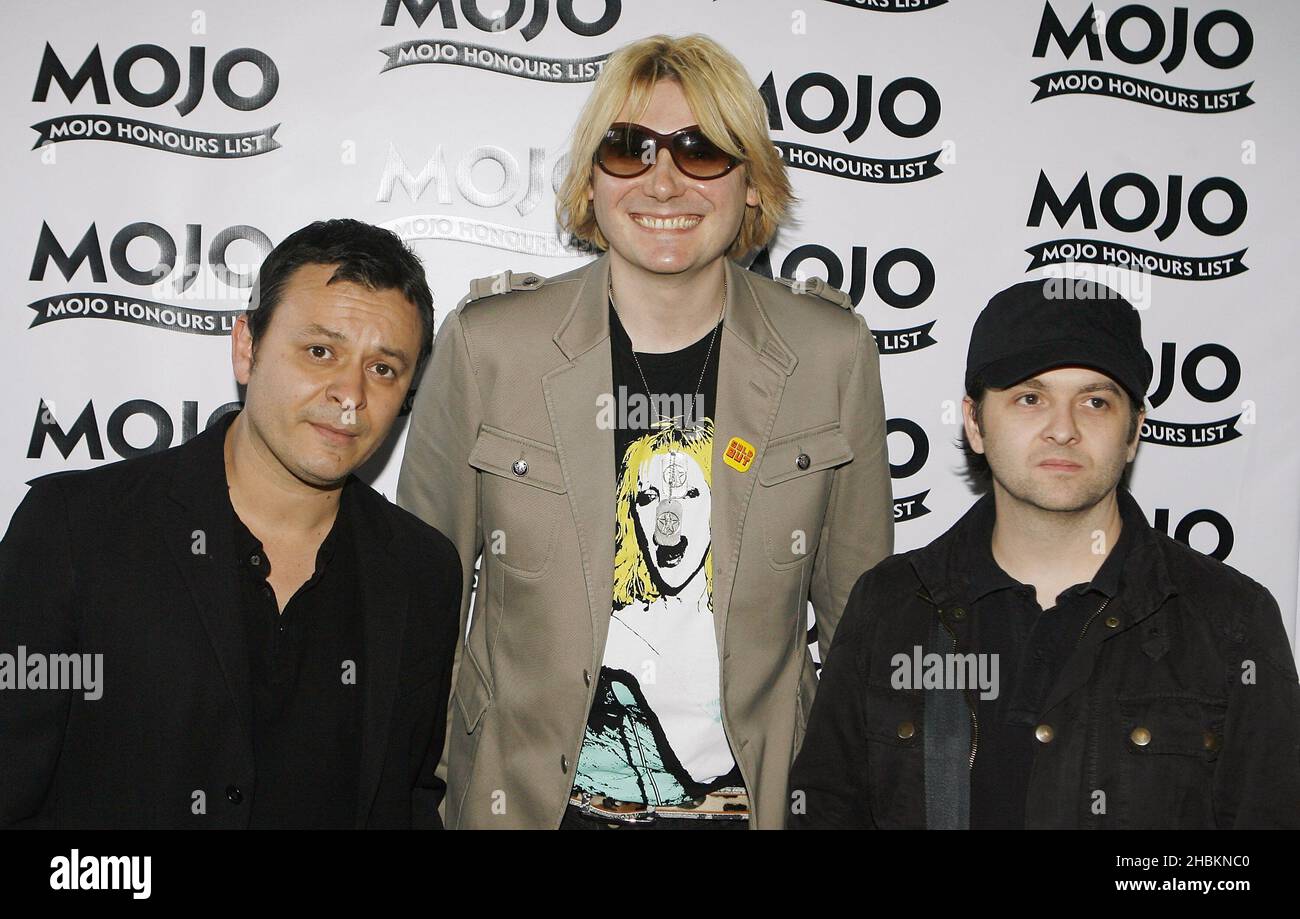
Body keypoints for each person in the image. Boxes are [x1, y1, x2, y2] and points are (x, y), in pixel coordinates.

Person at [397, 34, 893, 829]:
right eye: (629, 149)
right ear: (590, 183)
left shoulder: (830, 354)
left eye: (702, 151)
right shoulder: (490, 346)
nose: (664, 180)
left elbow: (865, 627)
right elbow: (417, 610)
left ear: (752, 186)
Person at [788, 277, 1300, 829]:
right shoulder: (891, 605)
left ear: (1133, 434)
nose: (1064, 429)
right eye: (1030, 398)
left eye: (1096, 401)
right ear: (975, 423)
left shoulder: (1229, 619)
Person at [0, 219, 462, 829]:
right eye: (320, 351)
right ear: (247, 348)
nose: (350, 394)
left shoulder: (421, 570)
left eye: (383, 369)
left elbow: (403, 802)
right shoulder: (76, 532)